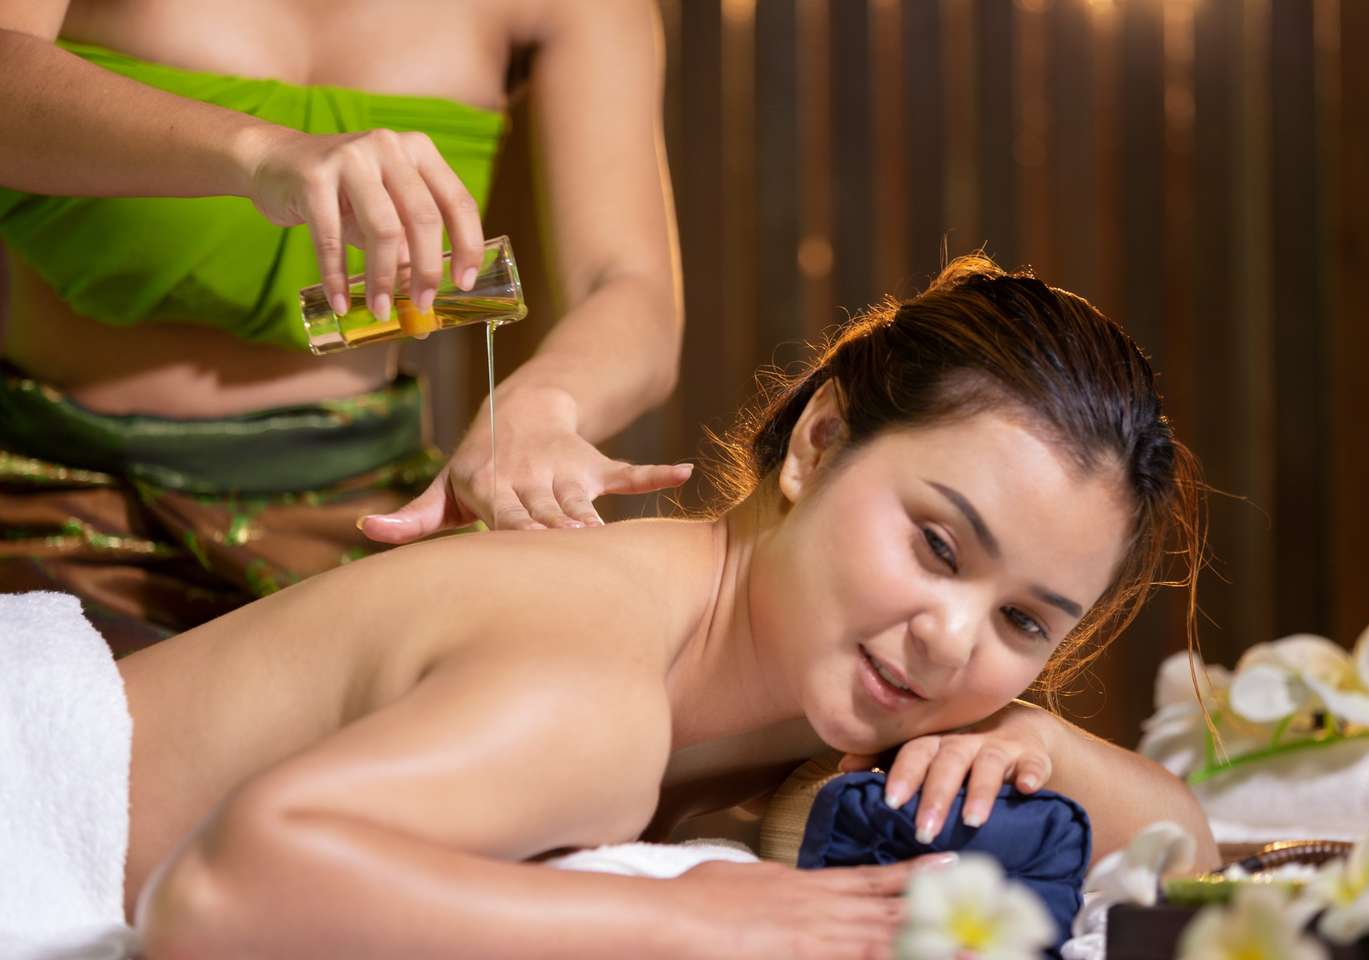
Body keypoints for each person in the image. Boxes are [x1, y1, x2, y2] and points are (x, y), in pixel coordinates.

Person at [115, 256, 1220, 958]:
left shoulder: (796, 700)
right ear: (820, 441)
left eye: (1024, 623)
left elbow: (1185, 849)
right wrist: (681, 918)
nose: (951, 639)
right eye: (937, 546)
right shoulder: (597, 689)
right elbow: (216, 898)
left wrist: (1037, 741)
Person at [0, 0, 686, 653]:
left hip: (365, 513)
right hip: (56, 494)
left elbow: (630, 288)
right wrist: (260, 154)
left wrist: (545, 402)